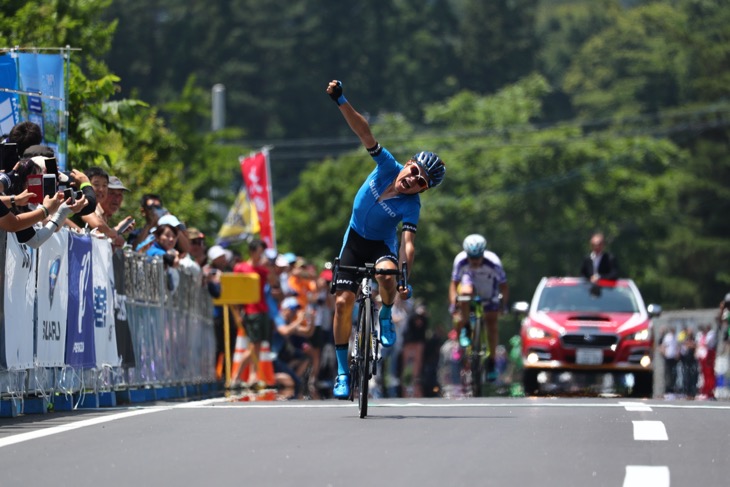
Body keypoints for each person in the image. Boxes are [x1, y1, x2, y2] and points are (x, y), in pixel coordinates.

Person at [325, 79, 446, 399]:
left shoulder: (411, 205)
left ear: (424, 190)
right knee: (342, 302)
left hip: (381, 245)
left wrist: (405, 276)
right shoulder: (386, 165)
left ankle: (385, 314)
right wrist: (341, 100)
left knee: (387, 275)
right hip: (354, 238)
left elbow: (407, 243)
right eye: (414, 171)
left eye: (420, 182)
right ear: (407, 163)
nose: (413, 180)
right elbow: (364, 132)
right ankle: (342, 372)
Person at [449, 233, 509, 381]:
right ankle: (466, 328)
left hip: (490, 291)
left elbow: (504, 286)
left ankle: (492, 361)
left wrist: (503, 305)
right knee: (464, 293)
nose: (474, 261)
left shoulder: (494, 262)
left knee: (492, 324)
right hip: (471, 287)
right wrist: (453, 304)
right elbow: (453, 285)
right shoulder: (460, 261)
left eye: (477, 257)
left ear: (483, 253)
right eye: (471, 257)